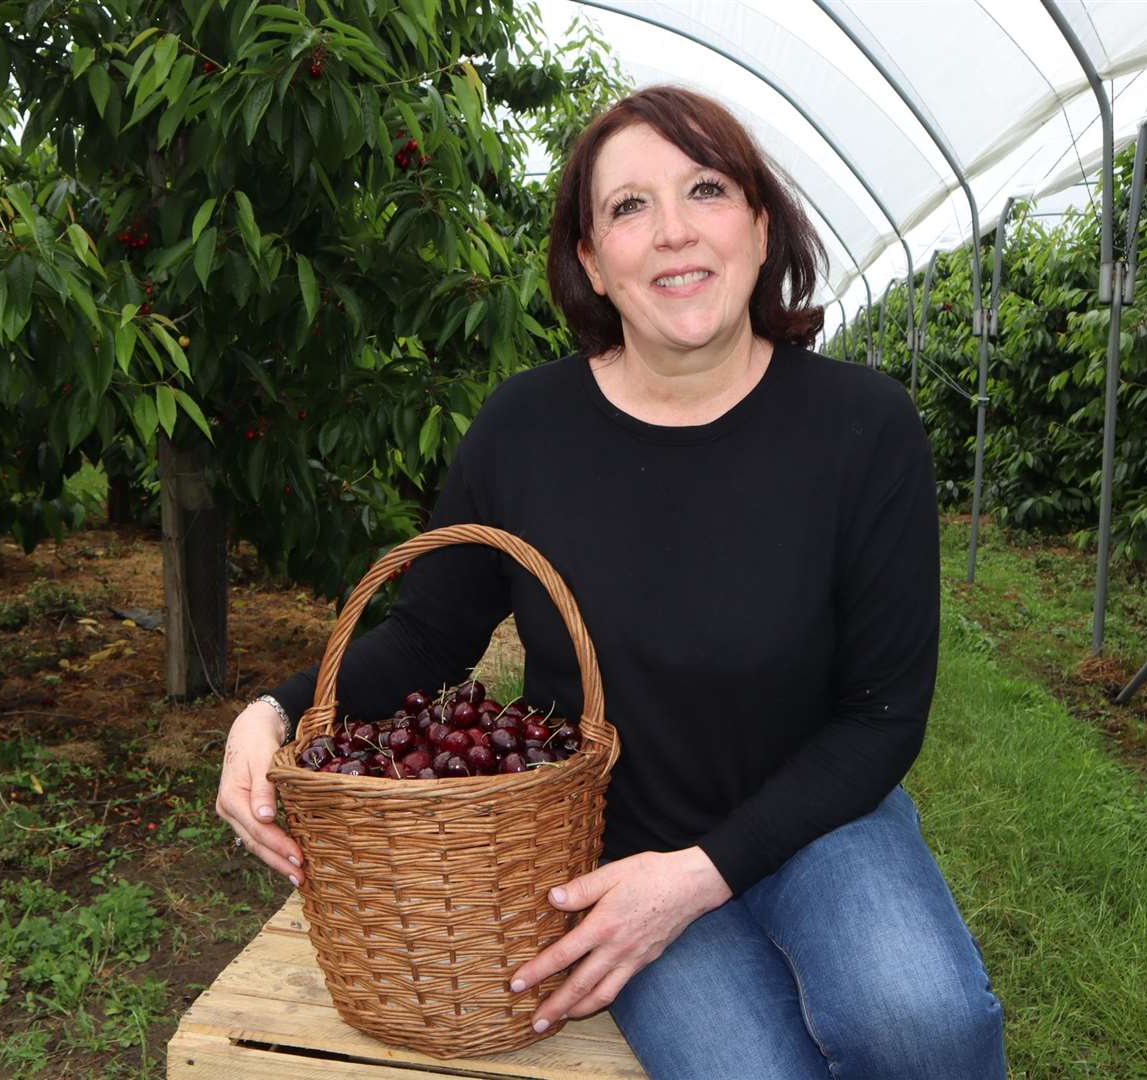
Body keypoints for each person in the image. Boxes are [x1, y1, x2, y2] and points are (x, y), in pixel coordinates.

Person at [217, 85, 1006, 1079]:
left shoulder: (863, 429)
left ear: (761, 228)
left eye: (706, 189)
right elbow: (430, 634)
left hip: (823, 818)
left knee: (923, 1023)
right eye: (629, 207)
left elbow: (884, 714)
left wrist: (702, 877)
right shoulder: (526, 430)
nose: (673, 232)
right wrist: (273, 711)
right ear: (592, 259)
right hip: (616, 845)